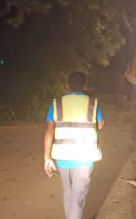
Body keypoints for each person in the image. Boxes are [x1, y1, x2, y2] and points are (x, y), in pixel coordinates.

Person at [43, 72, 104, 219]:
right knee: (77, 197)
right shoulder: (92, 103)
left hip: (62, 157)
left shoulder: (57, 104)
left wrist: (46, 157)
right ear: (84, 86)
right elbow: (100, 125)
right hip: (84, 156)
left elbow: (49, 131)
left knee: (68, 193)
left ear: (68, 86)